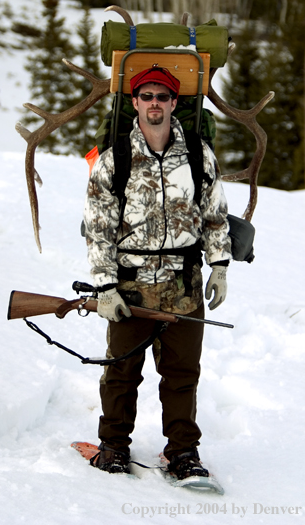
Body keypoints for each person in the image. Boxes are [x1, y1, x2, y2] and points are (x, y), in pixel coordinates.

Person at [83, 66, 232, 479]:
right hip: (130, 287)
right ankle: (113, 446)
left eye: (162, 97)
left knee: (183, 374)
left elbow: (216, 217)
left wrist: (219, 266)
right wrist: (106, 287)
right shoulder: (115, 159)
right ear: (134, 102)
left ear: (173, 103)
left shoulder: (199, 154)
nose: (154, 103)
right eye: (146, 96)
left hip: (184, 285)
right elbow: (98, 229)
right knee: (121, 372)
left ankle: (183, 453)